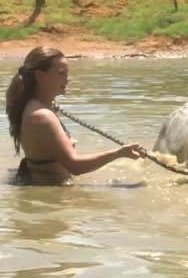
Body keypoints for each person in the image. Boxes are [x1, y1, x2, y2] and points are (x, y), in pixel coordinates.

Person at [5, 46, 146, 185]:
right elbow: (75, 166)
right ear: (39, 76)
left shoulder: (36, 106)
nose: (67, 79)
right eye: (61, 73)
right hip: (57, 195)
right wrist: (118, 153)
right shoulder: (42, 116)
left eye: (67, 73)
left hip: (49, 188)